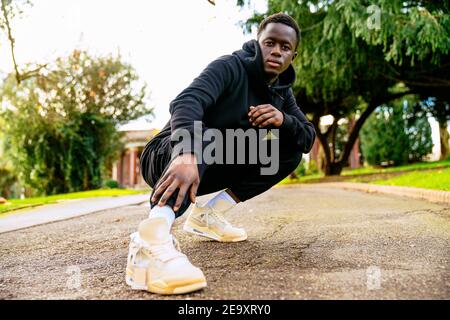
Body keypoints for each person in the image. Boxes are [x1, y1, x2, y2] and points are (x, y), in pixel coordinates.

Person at [125, 12, 316, 295]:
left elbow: (307, 137)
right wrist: (186, 153)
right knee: (206, 136)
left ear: (293, 56)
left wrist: (283, 119)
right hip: (168, 155)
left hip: (211, 159)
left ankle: (209, 215)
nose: (276, 51)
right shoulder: (230, 66)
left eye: (285, 47)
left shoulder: (282, 93)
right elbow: (187, 101)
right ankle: (150, 241)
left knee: (287, 151)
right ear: (258, 42)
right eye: (270, 43)